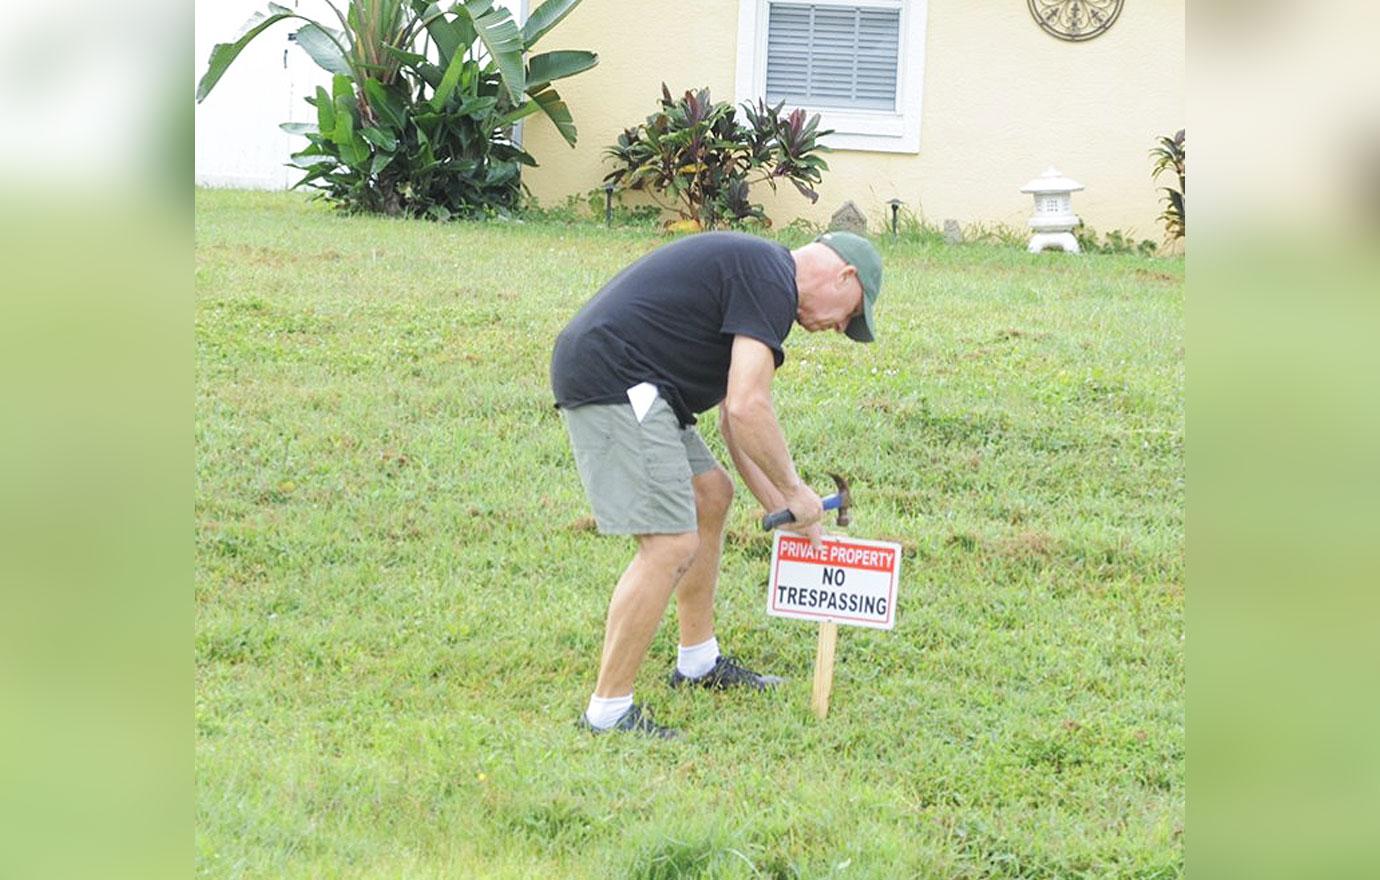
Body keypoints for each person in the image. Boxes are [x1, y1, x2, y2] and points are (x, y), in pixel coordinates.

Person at [550, 230, 883, 738]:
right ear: (845, 276)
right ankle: (608, 712)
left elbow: (733, 417)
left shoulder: (765, 276)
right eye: (851, 314)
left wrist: (783, 509)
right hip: (616, 377)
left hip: (642, 385)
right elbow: (750, 408)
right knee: (668, 543)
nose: (841, 327)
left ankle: (698, 662)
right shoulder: (772, 278)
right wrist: (796, 489)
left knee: (711, 494)